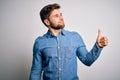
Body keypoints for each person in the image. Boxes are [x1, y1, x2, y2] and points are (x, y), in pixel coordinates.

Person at [30, 3, 108, 80]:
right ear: (47, 22)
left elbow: (87, 61)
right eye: (56, 16)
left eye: (61, 14)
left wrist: (98, 46)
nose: (61, 18)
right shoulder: (40, 42)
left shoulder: (75, 37)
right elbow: (36, 71)